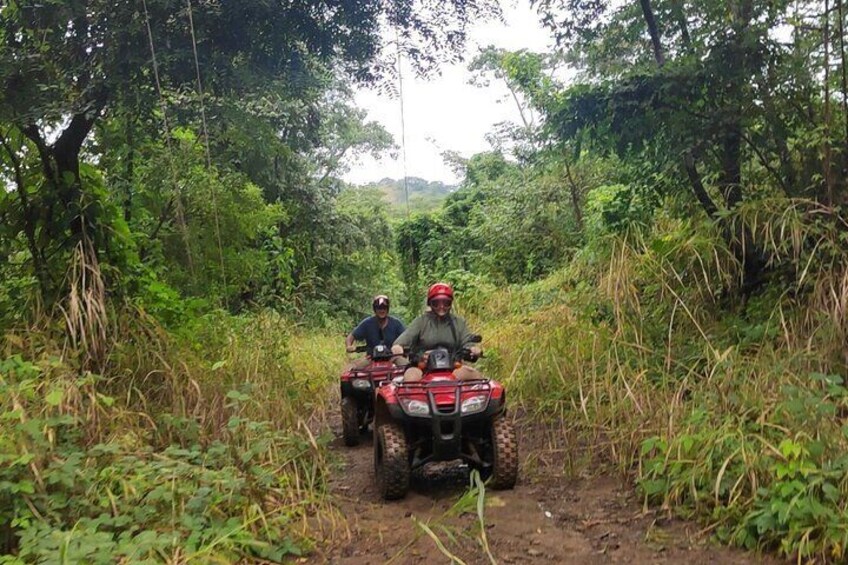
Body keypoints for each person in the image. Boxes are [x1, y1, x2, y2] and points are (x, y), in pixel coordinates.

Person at [391, 282, 483, 381]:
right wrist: (399, 349)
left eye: (445, 303)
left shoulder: (459, 323)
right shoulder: (421, 322)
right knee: (411, 378)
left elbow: (467, 342)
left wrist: (474, 350)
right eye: (436, 303)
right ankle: (411, 396)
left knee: (474, 375)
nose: (441, 306)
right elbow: (401, 342)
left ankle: (474, 397)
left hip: (452, 368)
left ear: (450, 303)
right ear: (430, 304)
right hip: (422, 368)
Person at [345, 295, 405, 369]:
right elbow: (351, 337)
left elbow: (407, 338)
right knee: (355, 371)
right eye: (379, 308)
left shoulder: (396, 323)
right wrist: (349, 346)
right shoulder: (367, 323)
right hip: (371, 358)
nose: (382, 310)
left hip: (393, 358)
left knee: (407, 366)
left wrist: (400, 348)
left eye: (384, 308)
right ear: (374, 309)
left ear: (388, 309)